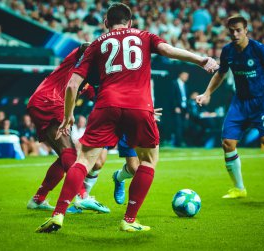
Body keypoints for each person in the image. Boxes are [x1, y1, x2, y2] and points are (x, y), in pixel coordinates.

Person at [36, 2, 218, 233]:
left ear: (105, 23)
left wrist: (68, 116)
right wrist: (201, 60)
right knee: (148, 161)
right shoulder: (144, 36)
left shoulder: (96, 44)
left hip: (107, 105)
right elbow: (170, 51)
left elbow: (72, 85)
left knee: (84, 160)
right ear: (130, 22)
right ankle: (129, 220)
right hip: (139, 106)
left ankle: (58, 214)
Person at [196, 15, 264, 200]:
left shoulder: (259, 49)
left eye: (238, 30)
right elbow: (220, 74)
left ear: (246, 30)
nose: (235, 34)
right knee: (227, 143)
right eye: (232, 31)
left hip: (261, 102)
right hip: (240, 103)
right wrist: (207, 93)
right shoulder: (228, 51)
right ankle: (239, 188)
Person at [26, 43, 109, 213]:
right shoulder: (75, 61)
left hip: (48, 105)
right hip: (48, 101)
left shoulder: (87, 83)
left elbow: (102, 96)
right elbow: (84, 47)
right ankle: (81, 195)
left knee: (65, 156)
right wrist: (103, 48)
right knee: (69, 152)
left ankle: (38, 199)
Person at [172, 71, 189, 147]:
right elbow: (172, 96)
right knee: (178, 125)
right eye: (185, 76)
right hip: (177, 108)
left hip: (184, 108)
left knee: (184, 125)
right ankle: (177, 143)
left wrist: (187, 111)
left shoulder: (185, 85)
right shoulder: (174, 83)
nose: (186, 78)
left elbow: (186, 97)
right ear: (180, 75)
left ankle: (181, 141)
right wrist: (175, 106)